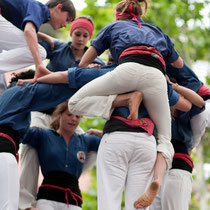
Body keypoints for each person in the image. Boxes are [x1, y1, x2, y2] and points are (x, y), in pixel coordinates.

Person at [18, 64, 200, 209]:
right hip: (146, 140)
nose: (74, 119)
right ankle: (158, 179)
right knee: (138, 201)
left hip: (117, 134)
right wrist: (171, 85)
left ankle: (122, 100)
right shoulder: (157, 78)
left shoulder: (112, 73)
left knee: (109, 201)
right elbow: (190, 105)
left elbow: (66, 76)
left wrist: (31, 80)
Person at [67, 0, 184, 183]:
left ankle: (127, 98)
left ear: (118, 14)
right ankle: (158, 178)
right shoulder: (156, 30)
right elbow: (179, 64)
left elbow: (82, 63)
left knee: (74, 103)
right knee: (164, 137)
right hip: (156, 76)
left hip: (127, 69)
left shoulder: (114, 26)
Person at [20, 101, 102, 210]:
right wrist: (31, 128)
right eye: (69, 115)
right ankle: (24, 206)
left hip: (73, 200)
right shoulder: (44, 135)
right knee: (29, 151)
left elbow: (112, 143)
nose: (73, 119)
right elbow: (21, 133)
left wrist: (101, 133)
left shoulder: (85, 140)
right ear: (59, 115)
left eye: (77, 116)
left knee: (100, 151)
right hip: (47, 198)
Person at [149, 80, 205, 210]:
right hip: (156, 169)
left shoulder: (183, 111)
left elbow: (200, 103)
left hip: (177, 164)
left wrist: (173, 86)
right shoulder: (154, 109)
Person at [0, 0, 76, 94]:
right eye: (67, 19)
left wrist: (42, 36)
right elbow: (28, 31)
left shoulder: (34, 16)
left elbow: (25, 30)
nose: (65, 25)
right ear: (58, 7)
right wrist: (39, 64)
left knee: (1, 88)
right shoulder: (39, 8)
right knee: (40, 52)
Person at [39, 15, 104, 72]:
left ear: (89, 37)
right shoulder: (57, 46)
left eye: (85, 36)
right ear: (71, 34)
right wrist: (44, 37)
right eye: (77, 34)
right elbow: (32, 43)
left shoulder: (95, 62)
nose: (81, 39)